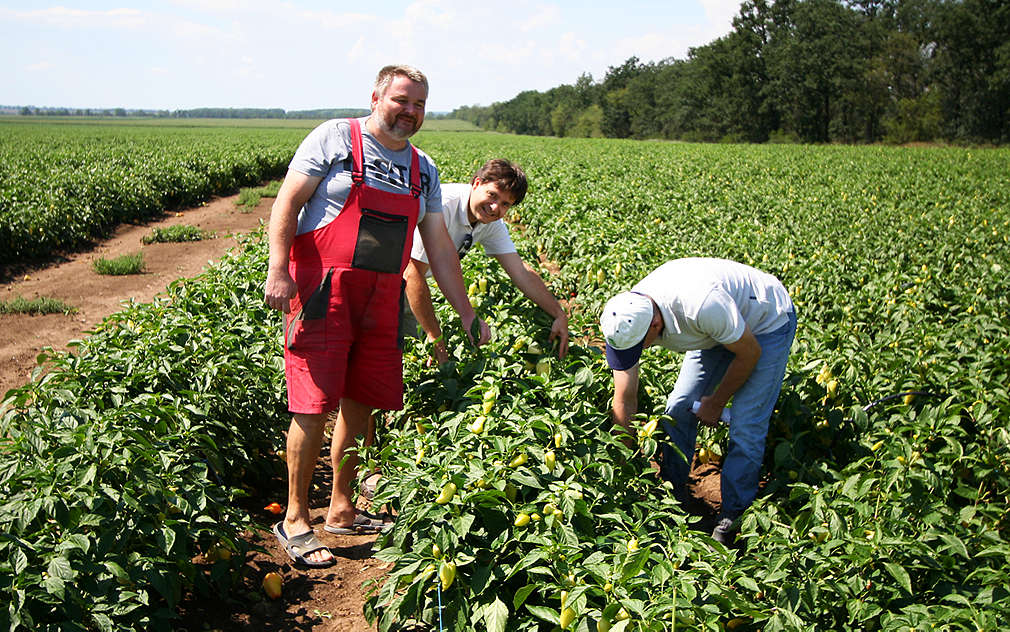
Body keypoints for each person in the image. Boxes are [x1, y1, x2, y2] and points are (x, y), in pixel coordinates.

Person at [263, 64, 490, 567]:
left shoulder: (422, 168)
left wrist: (467, 313)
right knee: (312, 402)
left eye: (419, 105)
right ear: (376, 97)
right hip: (325, 289)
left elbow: (440, 248)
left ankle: (341, 507)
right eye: (402, 100)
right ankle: (296, 517)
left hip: (382, 297)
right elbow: (288, 202)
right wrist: (279, 269)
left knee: (362, 399)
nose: (410, 112)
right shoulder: (335, 139)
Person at [599, 257, 796, 545]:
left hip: (766, 322)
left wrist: (716, 402)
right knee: (679, 407)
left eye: (639, 348)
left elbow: (749, 353)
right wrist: (621, 462)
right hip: (715, 330)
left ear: (655, 325)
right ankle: (673, 491)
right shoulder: (626, 318)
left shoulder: (700, 305)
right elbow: (625, 397)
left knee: (746, 424)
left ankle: (732, 516)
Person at [404, 159, 569, 364]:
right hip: (386, 278)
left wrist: (558, 313)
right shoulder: (443, 206)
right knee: (409, 350)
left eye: (505, 204)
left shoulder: (490, 222)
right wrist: (434, 335)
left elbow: (520, 271)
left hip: (407, 279)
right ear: (476, 183)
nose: (494, 208)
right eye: (492, 195)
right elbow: (410, 273)